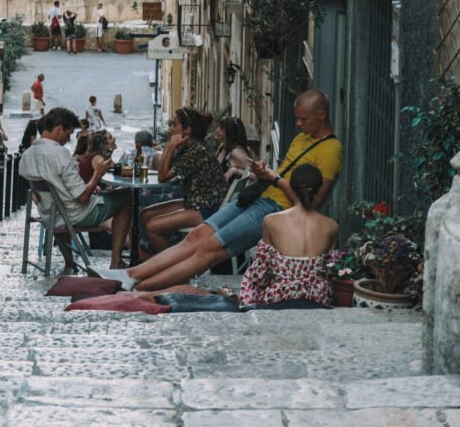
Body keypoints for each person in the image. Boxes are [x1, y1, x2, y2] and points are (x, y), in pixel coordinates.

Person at [98, 90, 342, 291]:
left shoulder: (331, 151)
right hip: (257, 197)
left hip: (276, 209)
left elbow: (312, 204)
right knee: (195, 238)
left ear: (321, 115)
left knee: (207, 251)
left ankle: (138, 289)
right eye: (297, 118)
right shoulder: (302, 139)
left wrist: (275, 178)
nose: (298, 125)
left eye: (303, 119)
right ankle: (129, 274)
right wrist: (265, 174)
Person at [19, 107, 132, 269]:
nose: (68, 139)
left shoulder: (27, 155)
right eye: (68, 134)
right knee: (127, 198)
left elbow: (46, 191)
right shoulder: (60, 154)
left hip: (50, 214)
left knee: (67, 204)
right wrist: (96, 176)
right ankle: (116, 261)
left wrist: (88, 187)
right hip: (75, 214)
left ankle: (69, 262)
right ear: (59, 129)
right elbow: (82, 198)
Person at [239, 164, 339, 307]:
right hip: (318, 298)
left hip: (281, 297)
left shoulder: (271, 221)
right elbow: (331, 272)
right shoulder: (332, 226)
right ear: (318, 191)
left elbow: (260, 271)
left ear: (292, 188)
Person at [141, 108, 227, 254]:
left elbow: (162, 176)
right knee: (145, 214)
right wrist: (172, 148)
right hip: (194, 201)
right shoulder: (188, 148)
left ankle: (170, 267)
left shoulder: (197, 151)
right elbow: (164, 167)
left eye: (174, 125)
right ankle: (147, 258)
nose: (170, 129)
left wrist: (170, 146)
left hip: (207, 209)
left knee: (152, 227)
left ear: (187, 130)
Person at [215, 116, 252, 182]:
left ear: (231, 132)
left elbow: (255, 176)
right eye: (218, 126)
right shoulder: (222, 147)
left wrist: (235, 170)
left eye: (222, 128)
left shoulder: (236, 152)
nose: (217, 130)